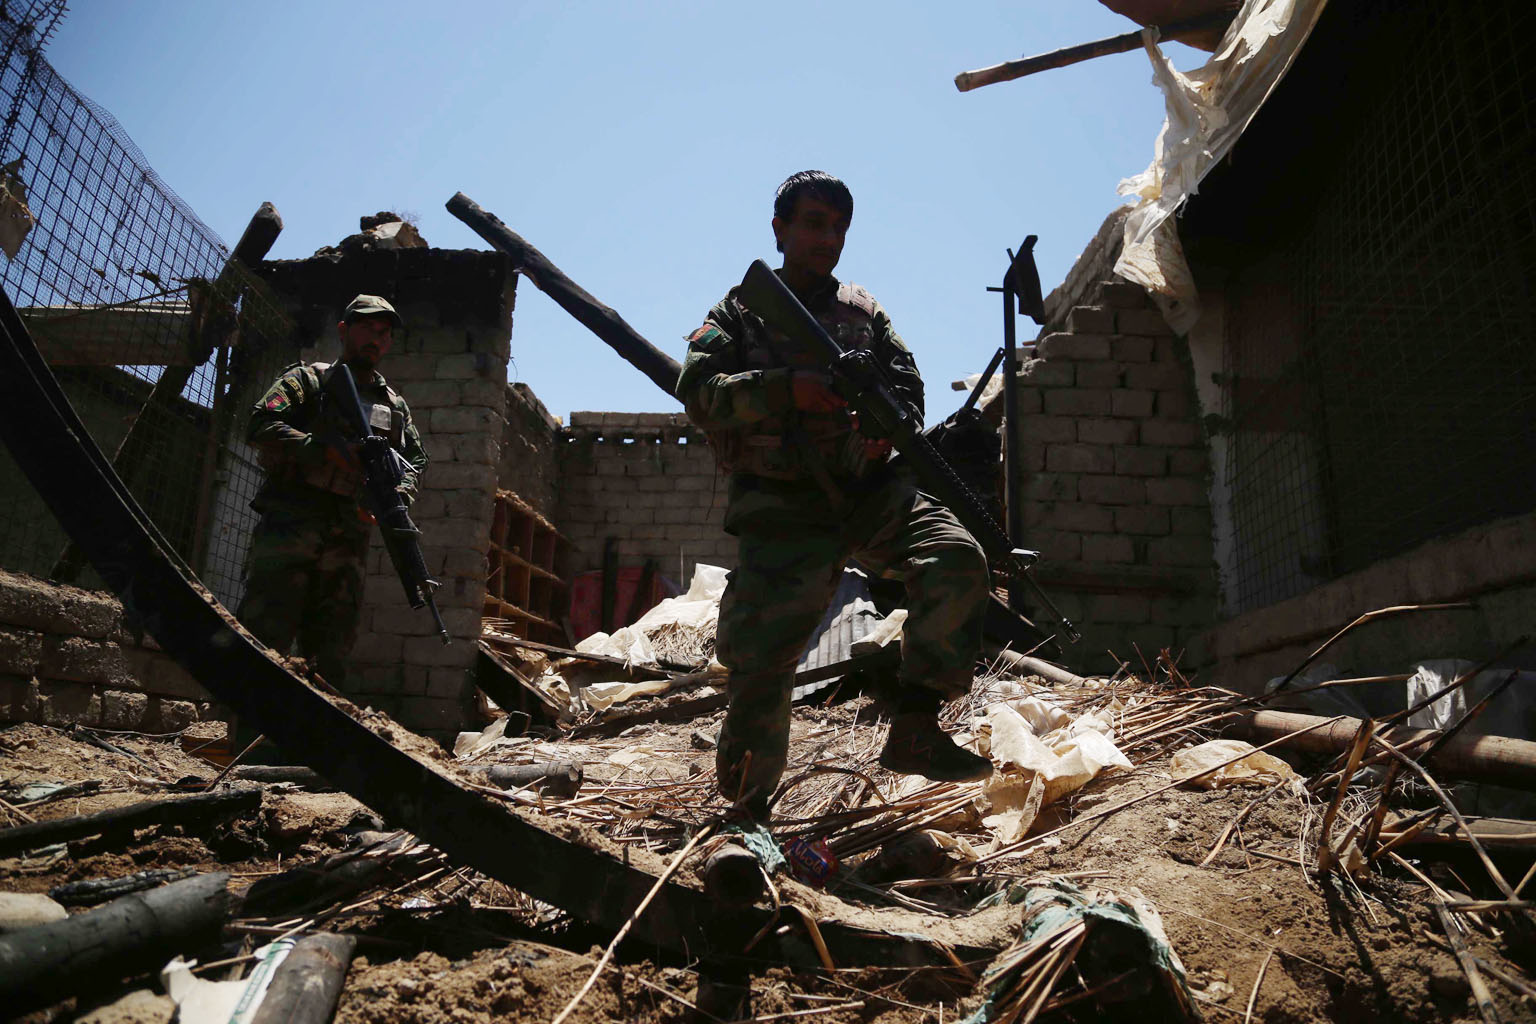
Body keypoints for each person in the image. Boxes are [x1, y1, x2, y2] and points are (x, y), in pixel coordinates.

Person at [677, 170, 993, 819]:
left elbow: (907, 389)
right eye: (814, 223)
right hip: (783, 504)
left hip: (866, 491)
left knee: (957, 557)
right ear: (780, 229)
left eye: (839, 227)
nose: (828, 239)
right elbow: (697, 391)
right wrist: (784, 387)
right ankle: (746, 814)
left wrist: (884, 431)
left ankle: (916, 725)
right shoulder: (739, 312)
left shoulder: (864, 313)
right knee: (764, 660)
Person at [236, 294, 427, 689]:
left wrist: (396, 496)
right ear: (343, 330)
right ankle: (244, 721)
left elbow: (416, 460)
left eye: (384, 333)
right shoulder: (308, 380)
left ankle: (314, 727)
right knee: (264, 632)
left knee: (331, 650)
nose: (376, 339)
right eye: (367, 328)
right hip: (292, 522)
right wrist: (320, 449)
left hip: (348, 536)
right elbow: (259, 423)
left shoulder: (394, 406)